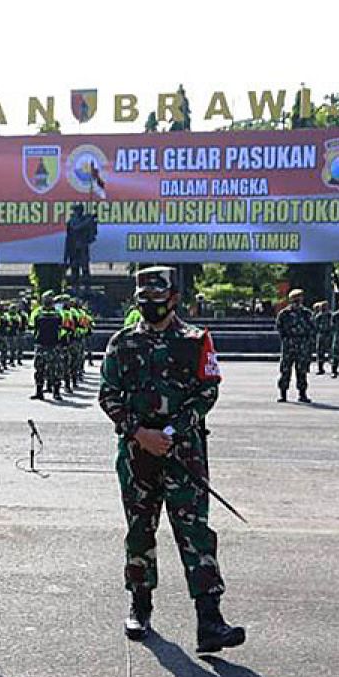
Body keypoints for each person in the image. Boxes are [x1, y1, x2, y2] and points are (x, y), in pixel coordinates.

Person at [99, 266, 244, 653]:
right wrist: (141, 433)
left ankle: (209, 621)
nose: (149, 307)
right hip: (136, 454)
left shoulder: (196, 340)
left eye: (157, 301)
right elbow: (108, 395)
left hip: (184, 455)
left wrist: (172, 431)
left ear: (174, 299)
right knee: (139, 529)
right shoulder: (122, 342)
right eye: (143, 301)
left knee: (195, 533)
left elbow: (207, 392)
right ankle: (140, 605)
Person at [275, 288, 313, 403]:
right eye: (295, 298)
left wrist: (307, 341)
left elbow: (312, 327)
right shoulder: (284, 313)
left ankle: (302, 393)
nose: (298, 301)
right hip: (289, 345)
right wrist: (286, 338)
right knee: (285, 370)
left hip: (302, 346)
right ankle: (283, 393)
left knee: (302, 371)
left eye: (300, 298)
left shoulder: (307, 313)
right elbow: (279, 327)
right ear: (291, 299)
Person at [30, 291, 64, 400]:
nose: (48, 302)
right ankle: (39, 392)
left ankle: (56, 392)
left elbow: (63, 327)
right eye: (47, 299)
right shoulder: (37, 312)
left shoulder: (59, 313)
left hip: (54, 345)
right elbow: (32, 326)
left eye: (50, 300)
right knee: (39, 369)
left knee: (55, 369)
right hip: (41, 345)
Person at [311, 301, 331, 374]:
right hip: (321, 334)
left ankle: (334, 368)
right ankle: (320, 368)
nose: (324, 307)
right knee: (320, 352)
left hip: (329, 335)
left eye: (325, 306)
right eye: (323, 306)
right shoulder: (318, 316)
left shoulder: (330, 315)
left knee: (331, 352)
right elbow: (314, 326)